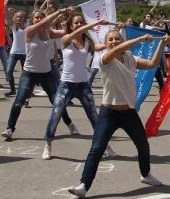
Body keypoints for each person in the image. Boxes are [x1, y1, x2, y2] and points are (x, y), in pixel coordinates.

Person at [68, 30, 168, 198]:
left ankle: (145, 175)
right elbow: (116, 50)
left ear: (122, 40)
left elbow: (151, 64)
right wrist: (141, 38)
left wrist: (162, 44)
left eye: (117, 39)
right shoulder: (104, 59)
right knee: (97, 149)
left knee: (143, 145)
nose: (114, 41)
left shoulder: (129, 58)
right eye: (111, 39)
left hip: (128, 112)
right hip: (109, 112)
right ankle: (84, 185)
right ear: (106, 43)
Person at [41, 15, 116, 160]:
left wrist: (113, 37)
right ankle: (48, 145)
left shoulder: (87, 42)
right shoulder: (66, 39)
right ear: (71, 25)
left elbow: (98, 47)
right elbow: (78, 32)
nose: (79, 24)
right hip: (66, 85)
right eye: (76, 23)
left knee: (94, 117)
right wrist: (93, 24)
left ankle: (106, 147)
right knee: (55, 115)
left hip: (83, 85)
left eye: (82, 22)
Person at [1, 9, 78, 141]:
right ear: (32, 20)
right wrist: (59, 11)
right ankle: (9, 128)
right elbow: (45, 22)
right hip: (29, 74)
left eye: (41, 17)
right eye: (36, 17)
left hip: (46, 74)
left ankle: (70, 124)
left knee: (57, 102)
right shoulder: (29, 31)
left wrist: (66, 21)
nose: (39, 19)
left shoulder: (48, 32)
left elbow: (65, 33)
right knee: (19, 101)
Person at [4, 9, 28, 97]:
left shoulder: (28, 26)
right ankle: (12, 90)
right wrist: (4, 6)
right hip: (14, 52)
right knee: (9, 71)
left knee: (25, 73)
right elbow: (7, 16)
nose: (19, 18)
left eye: (21, 17)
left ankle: (26, 89)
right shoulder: (14, 26)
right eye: (17, 17)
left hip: (25, 53)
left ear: (25, 19)